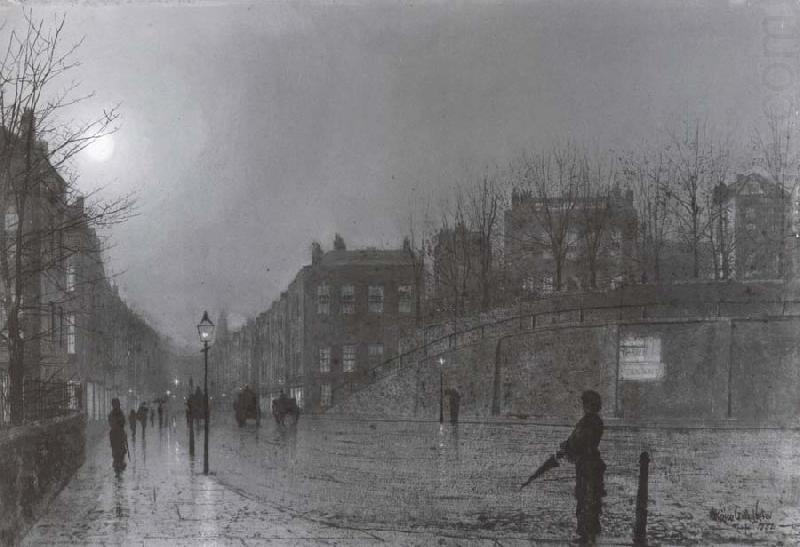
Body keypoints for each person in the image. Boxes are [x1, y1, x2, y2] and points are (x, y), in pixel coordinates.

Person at [557, 390, 606, 545]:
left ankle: (587, 535)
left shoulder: (590, 422)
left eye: (586, 403)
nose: (584, 406)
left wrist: (566, 447)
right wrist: (566, 446)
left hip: (588, 465)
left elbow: (580, 440)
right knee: (587, 497)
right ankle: (587, 533)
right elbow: (577, 439)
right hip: (588, 464)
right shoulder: (591, 421)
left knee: (586, 498)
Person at [108, 398, 127, 472]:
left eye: (116, 404)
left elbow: (123, 422)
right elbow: (111, 423)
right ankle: (117, 464)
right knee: (116, 451)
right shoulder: (111, 414)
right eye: (114, 404)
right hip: (114, 435)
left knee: (121, 451)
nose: (115, 405)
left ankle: (120, 463)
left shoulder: (121, 413)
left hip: (120, 435)